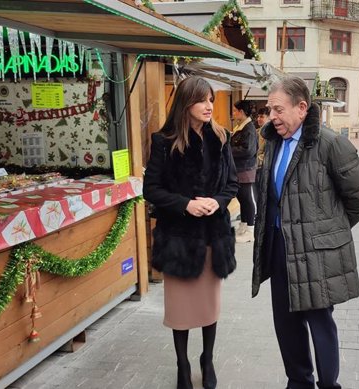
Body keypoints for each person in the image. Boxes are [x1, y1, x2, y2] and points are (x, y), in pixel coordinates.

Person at [252, 76, 359, 389]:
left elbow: (358, 199)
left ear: (302, 108)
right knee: (286, 323)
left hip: (316, 252)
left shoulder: (331, 144)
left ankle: (329, 385)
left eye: (278, 109)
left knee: (319, 322)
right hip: (279, 248)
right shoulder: (273, 143)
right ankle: (299, 382)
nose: (271, 116)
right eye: (269, 109)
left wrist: (326, 233)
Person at [143, 76, 239, 389]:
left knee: (209, 307)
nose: (209, 106)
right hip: (179, 240)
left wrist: (217, 201)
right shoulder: (164, 141)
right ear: (187, 103)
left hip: (214, 236)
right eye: (202, 100)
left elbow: (232, 185)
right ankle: (182, 365)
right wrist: (185, 205)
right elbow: (151, 189)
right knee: (181, 310)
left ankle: (207, 360)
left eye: (211, 99)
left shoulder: (222, 138)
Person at [231, 100, 259, 243]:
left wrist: (229, 150)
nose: (233, 113)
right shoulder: (241, 127)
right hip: (240, 168)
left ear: (242, 112)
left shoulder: (248, 128)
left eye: (235, 111)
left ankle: (251, 229)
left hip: (245, 169)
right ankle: (243, 225)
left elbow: (248, 150)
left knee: (247, 199)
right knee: (242, 199)